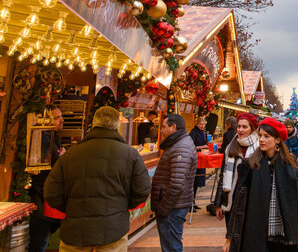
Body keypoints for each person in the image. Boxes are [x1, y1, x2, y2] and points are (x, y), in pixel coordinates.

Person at [44, 106, 151, 251]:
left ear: (94, 124)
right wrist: (121, 208)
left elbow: (51, 192)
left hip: (75, 231)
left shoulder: (70, 154)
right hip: (114, 230)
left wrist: (72, 209)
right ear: (117, 125)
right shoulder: (130, 155)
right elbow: (142, 190)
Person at [224, 118, 298, 252]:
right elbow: (239, 204)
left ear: (278, 140)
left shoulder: (290, 165)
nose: (261, 139)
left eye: (266, 136)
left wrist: (288, 183)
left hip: (283, 235)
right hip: (255, 233)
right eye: (260, 135)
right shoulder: (249, 165)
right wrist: (230, 237)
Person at [152, 114, 197, 252]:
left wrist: (163, 208)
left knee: (171, 248)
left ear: (173, 127)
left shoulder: (180, 147)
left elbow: (177, 185)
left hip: (173, 208)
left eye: (164, 127)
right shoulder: (178, 144)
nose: (161, 131)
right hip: (174, 206)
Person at [29, 105, 65, 252]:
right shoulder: (42, 139)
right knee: (39, 242)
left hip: (48, 196)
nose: (61, 120)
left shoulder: (53, 137)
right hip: (41, 196)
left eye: (61, 116)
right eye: (56, 118)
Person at [215, 113, 259, 225]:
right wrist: (218, 203)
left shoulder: (259, 148)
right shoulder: (231, 147)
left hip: (251, 198)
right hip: (232, 197)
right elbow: (223, 174)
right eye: (239, 126)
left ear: (252, 129)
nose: (240, 130)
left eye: (245, 127)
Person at [189, 117, 210, 212]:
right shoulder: (193, 132)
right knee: (193, 181)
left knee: (197, 183)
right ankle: (190, 203)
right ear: (196, 124)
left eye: (203, 124)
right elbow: (191, 145)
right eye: (200, 124)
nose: (202, 126)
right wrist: (202, 147)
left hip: (201, 159)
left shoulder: (202, 132)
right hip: (195, 159)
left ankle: (193, 202)